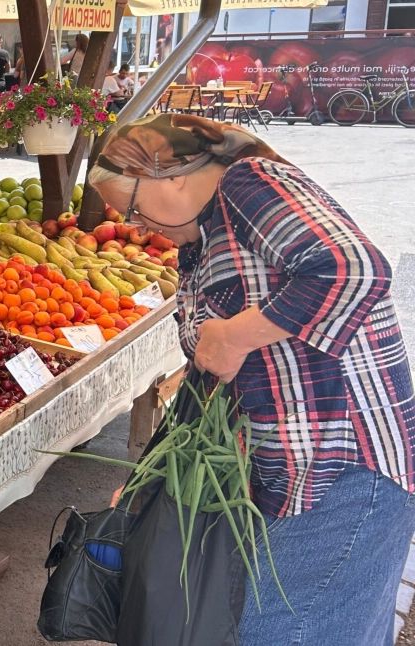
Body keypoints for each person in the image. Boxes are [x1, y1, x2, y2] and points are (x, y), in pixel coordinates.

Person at [88, 113, 415, 646]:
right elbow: (209, 372)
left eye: (130, 206)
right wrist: (150, 472)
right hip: (290, 471)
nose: (134, 225)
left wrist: (240, 334)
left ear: (171, 174)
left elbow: (355, 268)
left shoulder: (247, 183)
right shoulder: (200, 238)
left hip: (344, 470)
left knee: (295, 628)